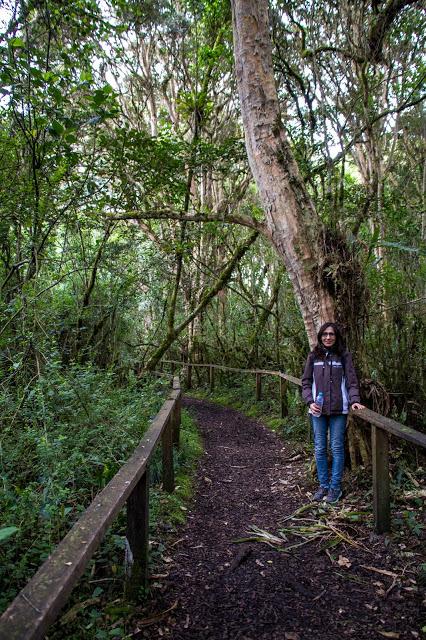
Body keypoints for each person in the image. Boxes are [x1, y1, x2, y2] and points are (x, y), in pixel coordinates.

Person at [302, 322, 364, 504]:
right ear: (320, 336)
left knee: (336, 448)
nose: (328, 337)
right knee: (320, 448)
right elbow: (305, 382)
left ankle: (335, 488)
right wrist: (310, 401)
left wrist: (355, 401)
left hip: (339, 409)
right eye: (325, 334)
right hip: (317, 411)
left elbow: (352, 381)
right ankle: (323, 486)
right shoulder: (313, 356)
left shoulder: (343, 356)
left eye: (331, 334)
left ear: (336, 337)